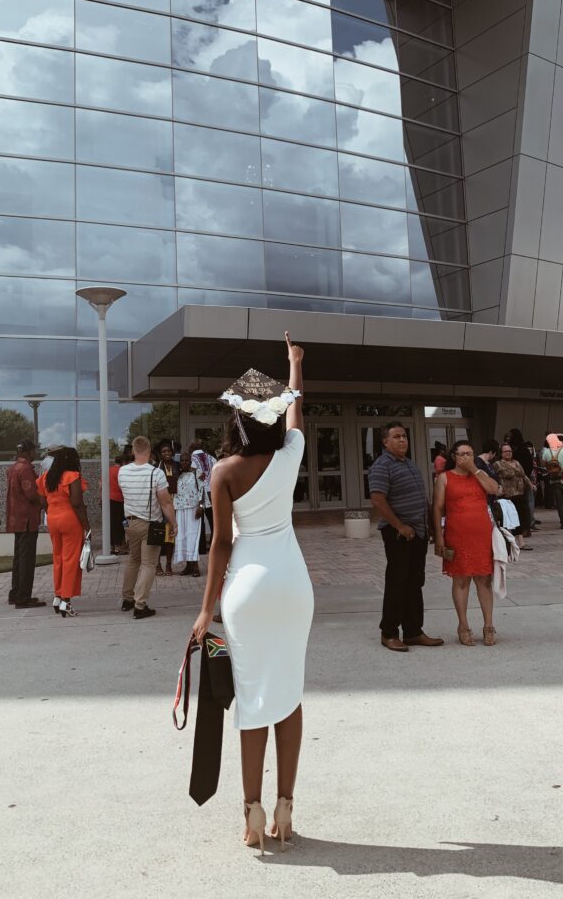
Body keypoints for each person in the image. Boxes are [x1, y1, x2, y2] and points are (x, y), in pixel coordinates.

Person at [193, 333, 312, 852]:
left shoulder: (223, 471)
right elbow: (295, 414)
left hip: (247, 586)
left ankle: (252, 813)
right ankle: (286, 808)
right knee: (288, 694)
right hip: (291, 581)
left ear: (235, 422)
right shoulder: (289, 455)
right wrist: (293, 364)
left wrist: (205, 611)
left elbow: (220, 544)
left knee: (252, 701)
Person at [369, 425, 443, 653]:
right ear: (385, 442)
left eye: (404, 436)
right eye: (397, 437)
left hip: (418, 533)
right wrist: (400, 526)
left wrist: (429, 526)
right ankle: (389, 633)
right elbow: (378, 499)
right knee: (397, 583)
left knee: (414, 583)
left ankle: (413, 632)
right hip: (399, 535)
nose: (403, 440)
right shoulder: (382, 466)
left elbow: (422, 498)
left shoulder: (408, 463)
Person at [432, 440, 501, 646]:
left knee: (484, 580)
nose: (466, 457)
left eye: (470, 454)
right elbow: (437, 508)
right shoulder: (444, 478)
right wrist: (439, 536)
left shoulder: (480, 475)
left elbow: (494, 489)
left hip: (482, 535)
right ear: (454, 456)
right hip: (457, 535)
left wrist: (474, 470)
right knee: (461, 581)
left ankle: (488, 625)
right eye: (462, 454)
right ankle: (463, 625)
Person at [118, 435, 178, 618]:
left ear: (133, 451)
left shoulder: (123, 472)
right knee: (149, 564)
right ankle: (140, 605)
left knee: (133, 560)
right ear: (150, 450)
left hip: (129, 522)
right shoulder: (156, 473)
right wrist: (174, 523)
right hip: (150, 524)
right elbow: (166, 503)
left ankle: (127, 599)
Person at [37, 447, 89, 618]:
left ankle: (58, 596)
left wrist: (53, 511)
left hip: (53, 518)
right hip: (70, 518)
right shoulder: (71, 476)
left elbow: (43, 502)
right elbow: (77, 503)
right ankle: (66, 600)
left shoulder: (46, 477)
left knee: (58, 557)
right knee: (71, 559)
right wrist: (87, 526)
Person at [5, 440, 45, 608]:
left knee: (19, 559)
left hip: (16, 518)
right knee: (27, 560)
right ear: (28, 452)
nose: (35, 454)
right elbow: (32, 494)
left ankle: (15, 594)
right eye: (34, 451)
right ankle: (23, 598)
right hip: (27, 519)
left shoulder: (13, 468)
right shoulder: (26, 468)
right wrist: (47, 502)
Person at [493, 443, 534, 550]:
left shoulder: (516, 462)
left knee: (521, 517)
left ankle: (520, 541)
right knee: (509, 519)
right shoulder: (498, 464)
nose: (508, 453)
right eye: (505, 451)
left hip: (520, 493)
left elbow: (523, 475)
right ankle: (509, 541)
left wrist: (530, 484)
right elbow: (505, 474)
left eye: (510, 451)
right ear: (501, 453)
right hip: (507, 495)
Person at [174, 452, 203, 578]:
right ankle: (188, 565)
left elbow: (202, 490)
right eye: (182, 461)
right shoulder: (178, 475)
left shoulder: (197, 473)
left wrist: (201, 507)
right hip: (180, 509)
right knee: (183, 536)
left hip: (193, 509)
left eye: (187, 460)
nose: (184, 462)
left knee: (193, 536)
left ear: (190, 461)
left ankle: (195, 565)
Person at [156, 440, 179, 575]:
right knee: (158, 537)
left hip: (174, 505)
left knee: (170, 537)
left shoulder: (178, 466)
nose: (167, 453)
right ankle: (158, 565)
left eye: (169, 451)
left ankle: (169, 565)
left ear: (172, 452)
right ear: (160, 454)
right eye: (164, 452)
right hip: (159, 506)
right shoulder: (156, 468)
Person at [192, 441, 217, 545]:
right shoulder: (212, 459)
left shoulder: (192, 459)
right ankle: (212, 543)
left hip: (198, 494)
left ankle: (200, 546)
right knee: (213, 521)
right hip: (212, 493)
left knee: (199, 521)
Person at [108, 455, 127, 556]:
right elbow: (123, 486)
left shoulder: (108, 470)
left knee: (111, 523)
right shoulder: (122, 471)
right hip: (120, 500)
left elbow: (100, 485)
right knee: (121, 524)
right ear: (123, 462)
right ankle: (120, 547)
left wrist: (101, 498)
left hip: (108, 500)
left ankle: (111, 546)